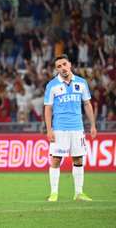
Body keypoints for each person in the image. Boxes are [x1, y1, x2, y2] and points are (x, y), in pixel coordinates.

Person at [44, 54, 97, 202]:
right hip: (59, 128)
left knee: (78, 159)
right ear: (56, 69)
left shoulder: (81, 83)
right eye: (59, 66)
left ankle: (78, 193)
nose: (62, 68)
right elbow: (48, 108)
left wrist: (92, 125)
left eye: (64, 64)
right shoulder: (52, 85)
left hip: (77, 128)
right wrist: (49, 129)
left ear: (70, 64)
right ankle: (54, 193)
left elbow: (87, 104)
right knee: (56, 159)